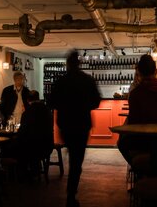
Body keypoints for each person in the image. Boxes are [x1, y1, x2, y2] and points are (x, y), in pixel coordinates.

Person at [50, 50, 101, 207]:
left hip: (65, 124)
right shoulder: (87, 80)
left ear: (67, 64)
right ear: (79, 63)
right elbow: (96, 102)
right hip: (82, 124)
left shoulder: (60, 81)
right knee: (77, 161)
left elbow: (52, 103)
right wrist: (83, 106)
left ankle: (70, 192)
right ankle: (71, 194)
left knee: (72, 154)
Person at [117, 54, 157, 165]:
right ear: (156, 71)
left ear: (139, 73)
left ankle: (139, 169)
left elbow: (134, 122)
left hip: (143, 141)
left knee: (122, 143)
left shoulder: (136, 93)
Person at [15, 90, 54, 179]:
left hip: (33, 147)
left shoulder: (27, 113)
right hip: (47, 144)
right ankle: (35, 169)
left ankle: (23, 173)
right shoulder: (47, 110)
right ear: (38, 98)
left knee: (18, 147)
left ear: (28, 100)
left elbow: (22, 132)